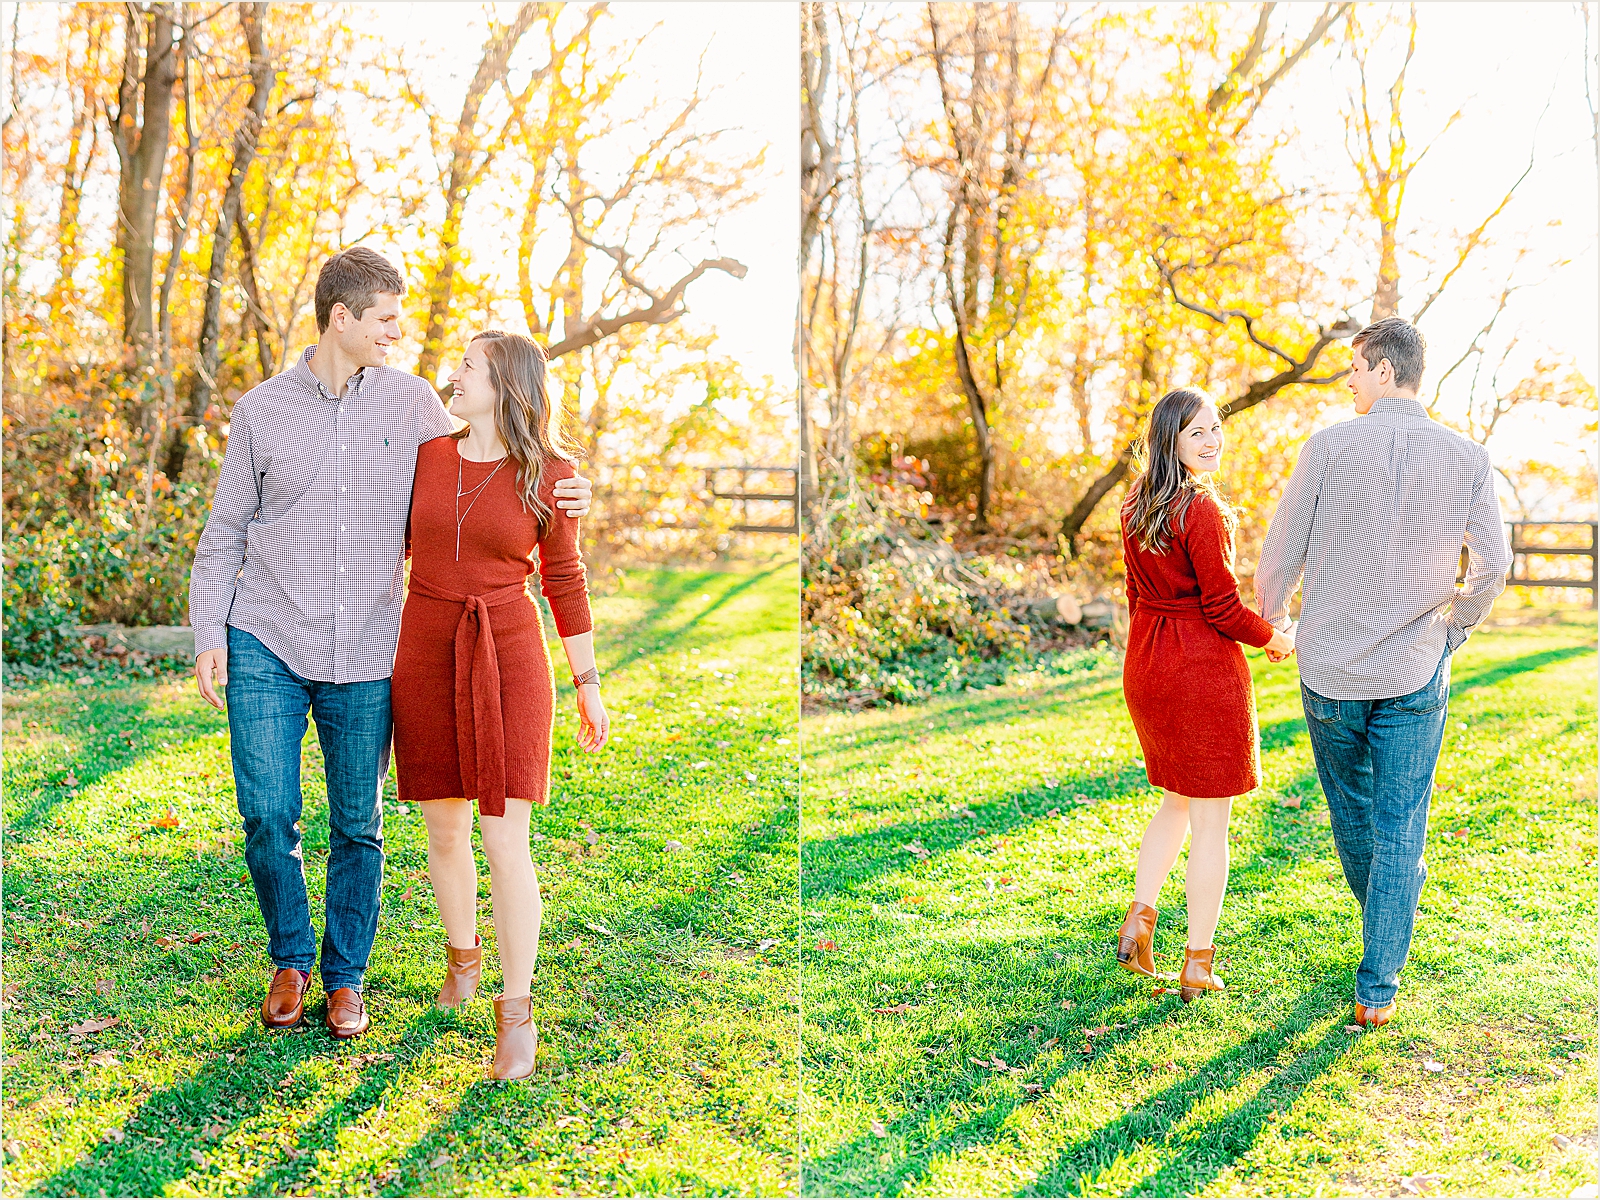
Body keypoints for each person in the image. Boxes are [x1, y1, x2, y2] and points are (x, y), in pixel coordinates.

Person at [189, 248, 593, 1040]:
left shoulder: (412, 405)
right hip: (265, 630)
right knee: (268, 813)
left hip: (370, 644)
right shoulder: (260, 411)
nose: (399, 336)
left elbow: (494, 465)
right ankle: (290, 958)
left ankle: (344, 979)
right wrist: (209, 630)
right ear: (342, 318)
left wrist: (571, 486)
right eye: (385, 321)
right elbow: (225, 528)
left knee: (357, 822)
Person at [1255, 315, 1509, 1029]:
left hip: (1330, 667)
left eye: (1357, 369)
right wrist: (1454, 626)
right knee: (1402, 826)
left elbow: (1282, 554)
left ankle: (1383, 940)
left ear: (1387, 370)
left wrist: (1274, 627)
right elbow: (1494, 567)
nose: (1351, 381)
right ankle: (1380, 980)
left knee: (1357, 816)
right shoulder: (1470, 456)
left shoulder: (1328, 447)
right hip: (1416, 664)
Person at [391, 330, 607, 1080]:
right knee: (443, 824)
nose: (453, 374)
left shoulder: (553, 475)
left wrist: (588, 683)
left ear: (507, 383)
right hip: (423, 646)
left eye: (469, 366)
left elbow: (566, 581)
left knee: (501, 832)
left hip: (509, 651)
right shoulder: (425, 454)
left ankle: (516, 1013)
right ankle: (462, 959)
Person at [1115, 387, 1296, 1002]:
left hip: (1149, 667)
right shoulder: (1201, 509)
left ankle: (1141, 921)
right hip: (1198, 673)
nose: (1213, 440)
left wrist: (1146, 657)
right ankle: (1197, 961)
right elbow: (1220, 606)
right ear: (1171, 440)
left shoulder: (1136, 504)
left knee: (1175, 803)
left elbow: (1139, 599)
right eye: (1198, 433)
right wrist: (1273, 637)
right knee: (1211, 821)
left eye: (1216, 427)